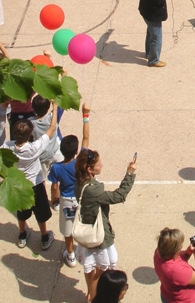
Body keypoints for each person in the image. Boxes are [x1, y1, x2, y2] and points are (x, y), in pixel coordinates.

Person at [73, 148, 136, 302]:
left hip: (87, 231)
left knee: (89, 267)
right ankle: (94, 297)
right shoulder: (93, 190)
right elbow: (119, 196)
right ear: (89, 169)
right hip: (97, 236)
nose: (102, 165)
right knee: (101, 270)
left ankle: (90, 293)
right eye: (98, 164)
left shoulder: (80, 182)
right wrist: (130, 174)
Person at [1, 99, 57, 250]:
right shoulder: (34, 148)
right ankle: (44, 237)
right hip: (36, 184)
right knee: (41, 212)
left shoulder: (8, 147)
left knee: (21, 211)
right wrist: (55, 106)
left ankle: (22, 234)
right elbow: (52, 128)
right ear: (30, 134)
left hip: (20, 185)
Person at [48, 102, 91, 268]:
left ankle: (70, 254)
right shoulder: (80, 162)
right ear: (75, 152)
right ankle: (82, 249)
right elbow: (86, 138)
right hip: (80, 197)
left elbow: (54, 186)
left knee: (68, 229)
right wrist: (85, 116)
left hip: (65, 199)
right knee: (81, 223)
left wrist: (54, 200)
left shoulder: (56, 168)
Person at [154, 228, 195, 303]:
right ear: (176, 250)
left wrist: (188, 252)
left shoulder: (158, 253)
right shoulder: (175, 271)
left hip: (167, 295)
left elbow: (178, 257)